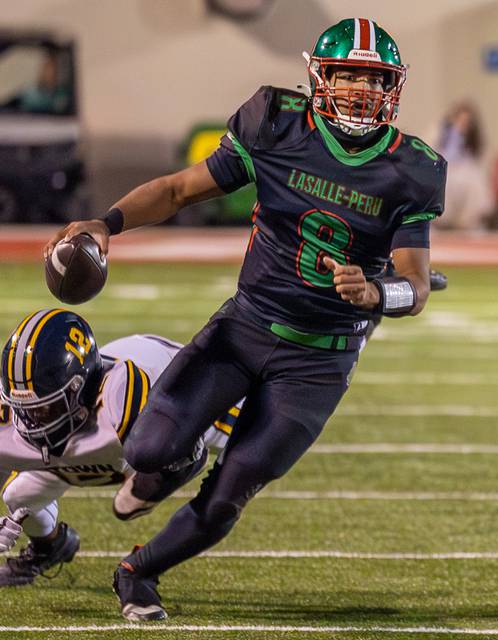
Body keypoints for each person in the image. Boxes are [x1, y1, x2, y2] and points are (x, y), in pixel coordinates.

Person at [44, 18, 446, 621]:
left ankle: (139, 572)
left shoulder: (412, 168)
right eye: (348, 76)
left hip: (320, 356)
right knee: (149, 447)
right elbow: (181, 190)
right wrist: (108, 222)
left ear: (393, 88)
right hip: (246, 325)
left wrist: (375, 295)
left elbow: (415, 286)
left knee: (235, 489)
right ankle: (176, 460)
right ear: (319, 78)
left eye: (374, 79)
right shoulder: (275, 123)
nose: (362, 91)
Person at [0, 309, 233, 588]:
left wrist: (178, 453)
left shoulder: (127, 400)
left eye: (47, 408)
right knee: (18, 496)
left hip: (168, 404)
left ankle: (171, 466)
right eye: (23, 410)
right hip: (88, 452)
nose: (31, 423)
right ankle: (49, 547)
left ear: (81, 388)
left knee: (243, 448)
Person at [433, 101, 494, 230]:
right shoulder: (440, 133)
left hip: (465, 171)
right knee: (444, 182)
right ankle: (442, 221)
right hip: (444, 168)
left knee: (475, 183)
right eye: (460, 120)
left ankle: (467, 222)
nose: (462, 124)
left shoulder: (474, 140)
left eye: (467, 122)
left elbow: (477, 161)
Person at [7, 56, 72, 115]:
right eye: (46, 69)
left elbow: (61, 108)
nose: (49, 73)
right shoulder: (29, 93)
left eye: (53, 70)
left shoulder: (62, 93)